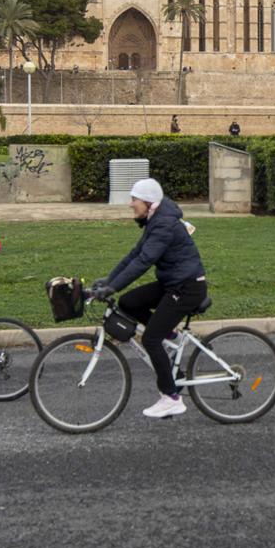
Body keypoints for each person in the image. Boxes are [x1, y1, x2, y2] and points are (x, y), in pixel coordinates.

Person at [89, 178, 208, 420]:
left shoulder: (163, 225)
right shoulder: (155, 220)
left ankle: (171, 398)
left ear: (148, 202)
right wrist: (109, 280)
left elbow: (144, 262)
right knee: (129, 303)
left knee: (151, 339)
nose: (131, 204)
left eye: (134, 200)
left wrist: (113, 288)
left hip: (187, 288)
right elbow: (134, 254)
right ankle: (171, 337)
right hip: (173, 283)